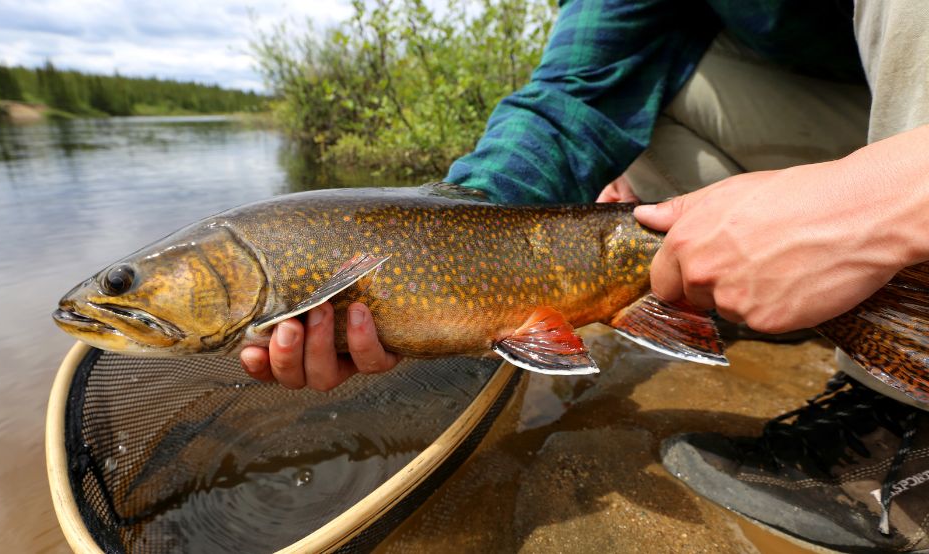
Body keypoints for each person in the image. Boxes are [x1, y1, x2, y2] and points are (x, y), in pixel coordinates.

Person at [242, 1, 929, 550]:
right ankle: (754, 285)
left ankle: (906, 421)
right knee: (647, 99)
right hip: (854, 114)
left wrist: (878, 202)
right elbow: (576, 96)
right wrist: (462, 221)